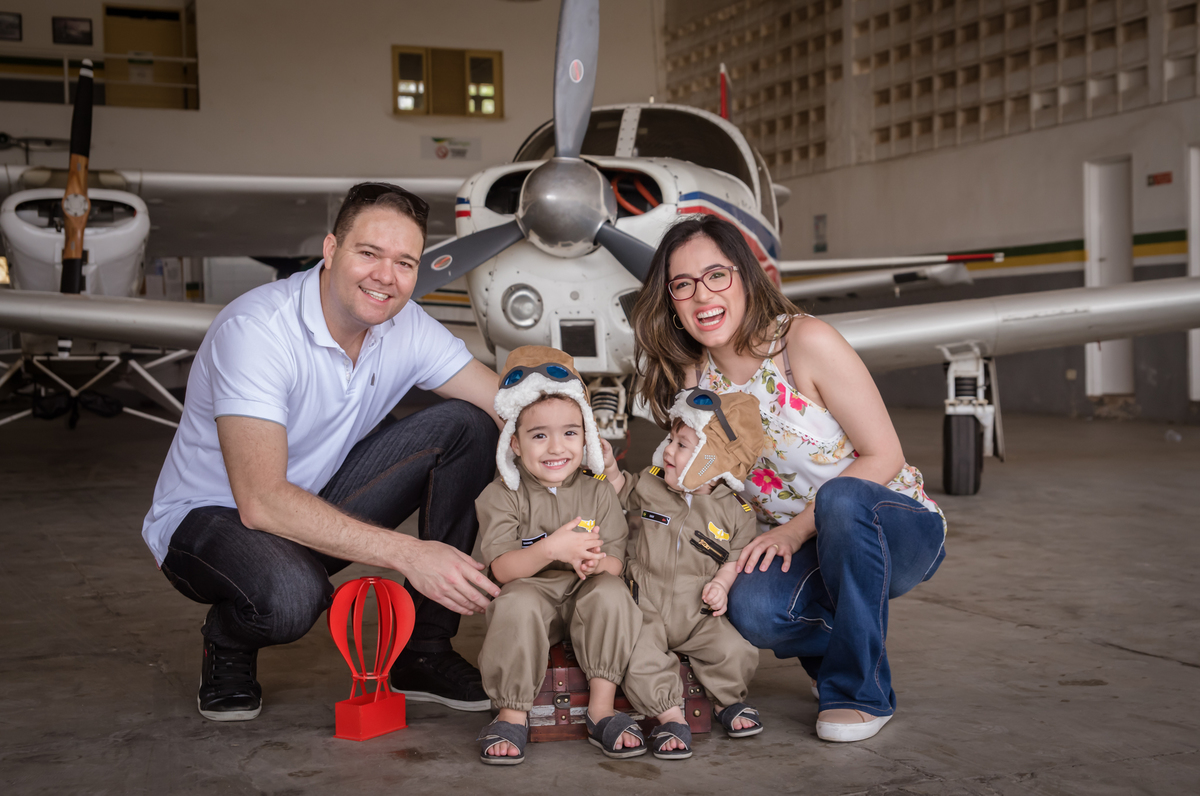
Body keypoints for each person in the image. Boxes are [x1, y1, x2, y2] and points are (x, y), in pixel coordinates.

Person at [141, 182, 503, 723]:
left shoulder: (404, 325)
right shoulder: (258, 330)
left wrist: (593, 460)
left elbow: (505, 404)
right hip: (209, 522)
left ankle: (423, 652)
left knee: (469, 426)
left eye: (405, 262)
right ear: (331, 250)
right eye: (368, 253)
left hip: (312, 502)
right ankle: (229, 638)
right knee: (291, 598)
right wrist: (409, 554)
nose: (386, 275)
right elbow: (260, 502)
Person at [629, 215, 947, 743]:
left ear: (745, 276)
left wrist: (795, 529)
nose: (700, 295)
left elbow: (885, 454)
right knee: (751, 607)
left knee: (841, 498)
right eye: (682, 285)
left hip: (893, 524)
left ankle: (859, 693)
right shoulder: (694, 379)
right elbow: (694, 479)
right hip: (798, 545)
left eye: (716, 276)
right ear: (671, 301)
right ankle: (844, 656)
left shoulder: (804, 341)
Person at [473, 346, 644, 765]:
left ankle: (602, 707)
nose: (556, 447)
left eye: (570, 432)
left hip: (586, 593)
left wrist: (593, 563)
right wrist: (552, 548)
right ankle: (513, 711)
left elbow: (616, 560)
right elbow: (502, 568)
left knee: (612, 593)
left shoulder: (598, 490)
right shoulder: (501, 496)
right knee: (515, 603)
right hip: (533, 593)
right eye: (538, 435)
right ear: (513, 443)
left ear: (586, 435)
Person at [603, 387, 767, 760]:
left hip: (696, 612)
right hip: (643, 602)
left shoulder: (737, 512)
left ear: (714, 460)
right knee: (637, 653)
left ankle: (729, 703)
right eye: (671, 441)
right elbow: (620, 489)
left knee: (735, 650)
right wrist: (611, 468)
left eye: (682, 445)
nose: (668, 452)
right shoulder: (653, 482)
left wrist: (722, 586)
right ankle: (670, 716)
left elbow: (733, 559)